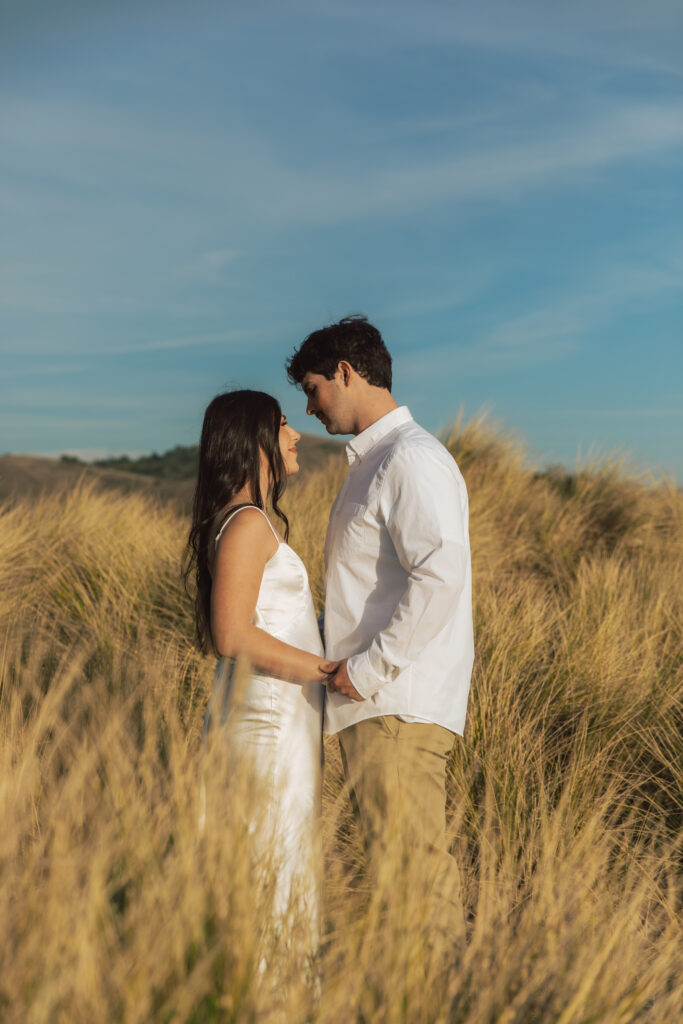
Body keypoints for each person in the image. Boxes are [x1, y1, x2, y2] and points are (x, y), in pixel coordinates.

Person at [286, 316, 474, 945]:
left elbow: (439, 576)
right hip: (377, 706)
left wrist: (364, 673)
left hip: (394, 705)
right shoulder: (374, 463)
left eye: (313, 390)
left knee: (415, 888)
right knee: (399, 887)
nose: (308, 408)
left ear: (346, 371)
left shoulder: (411, 458)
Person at [185, 389, 337, 955]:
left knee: (272, 864)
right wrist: (329, 670)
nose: (295, 434)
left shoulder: (244, 520)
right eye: (282, 425)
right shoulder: (248, 524)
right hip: (267, 728)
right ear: (254, 442)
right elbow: (232, 635)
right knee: (269, 865)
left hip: (270, 722)